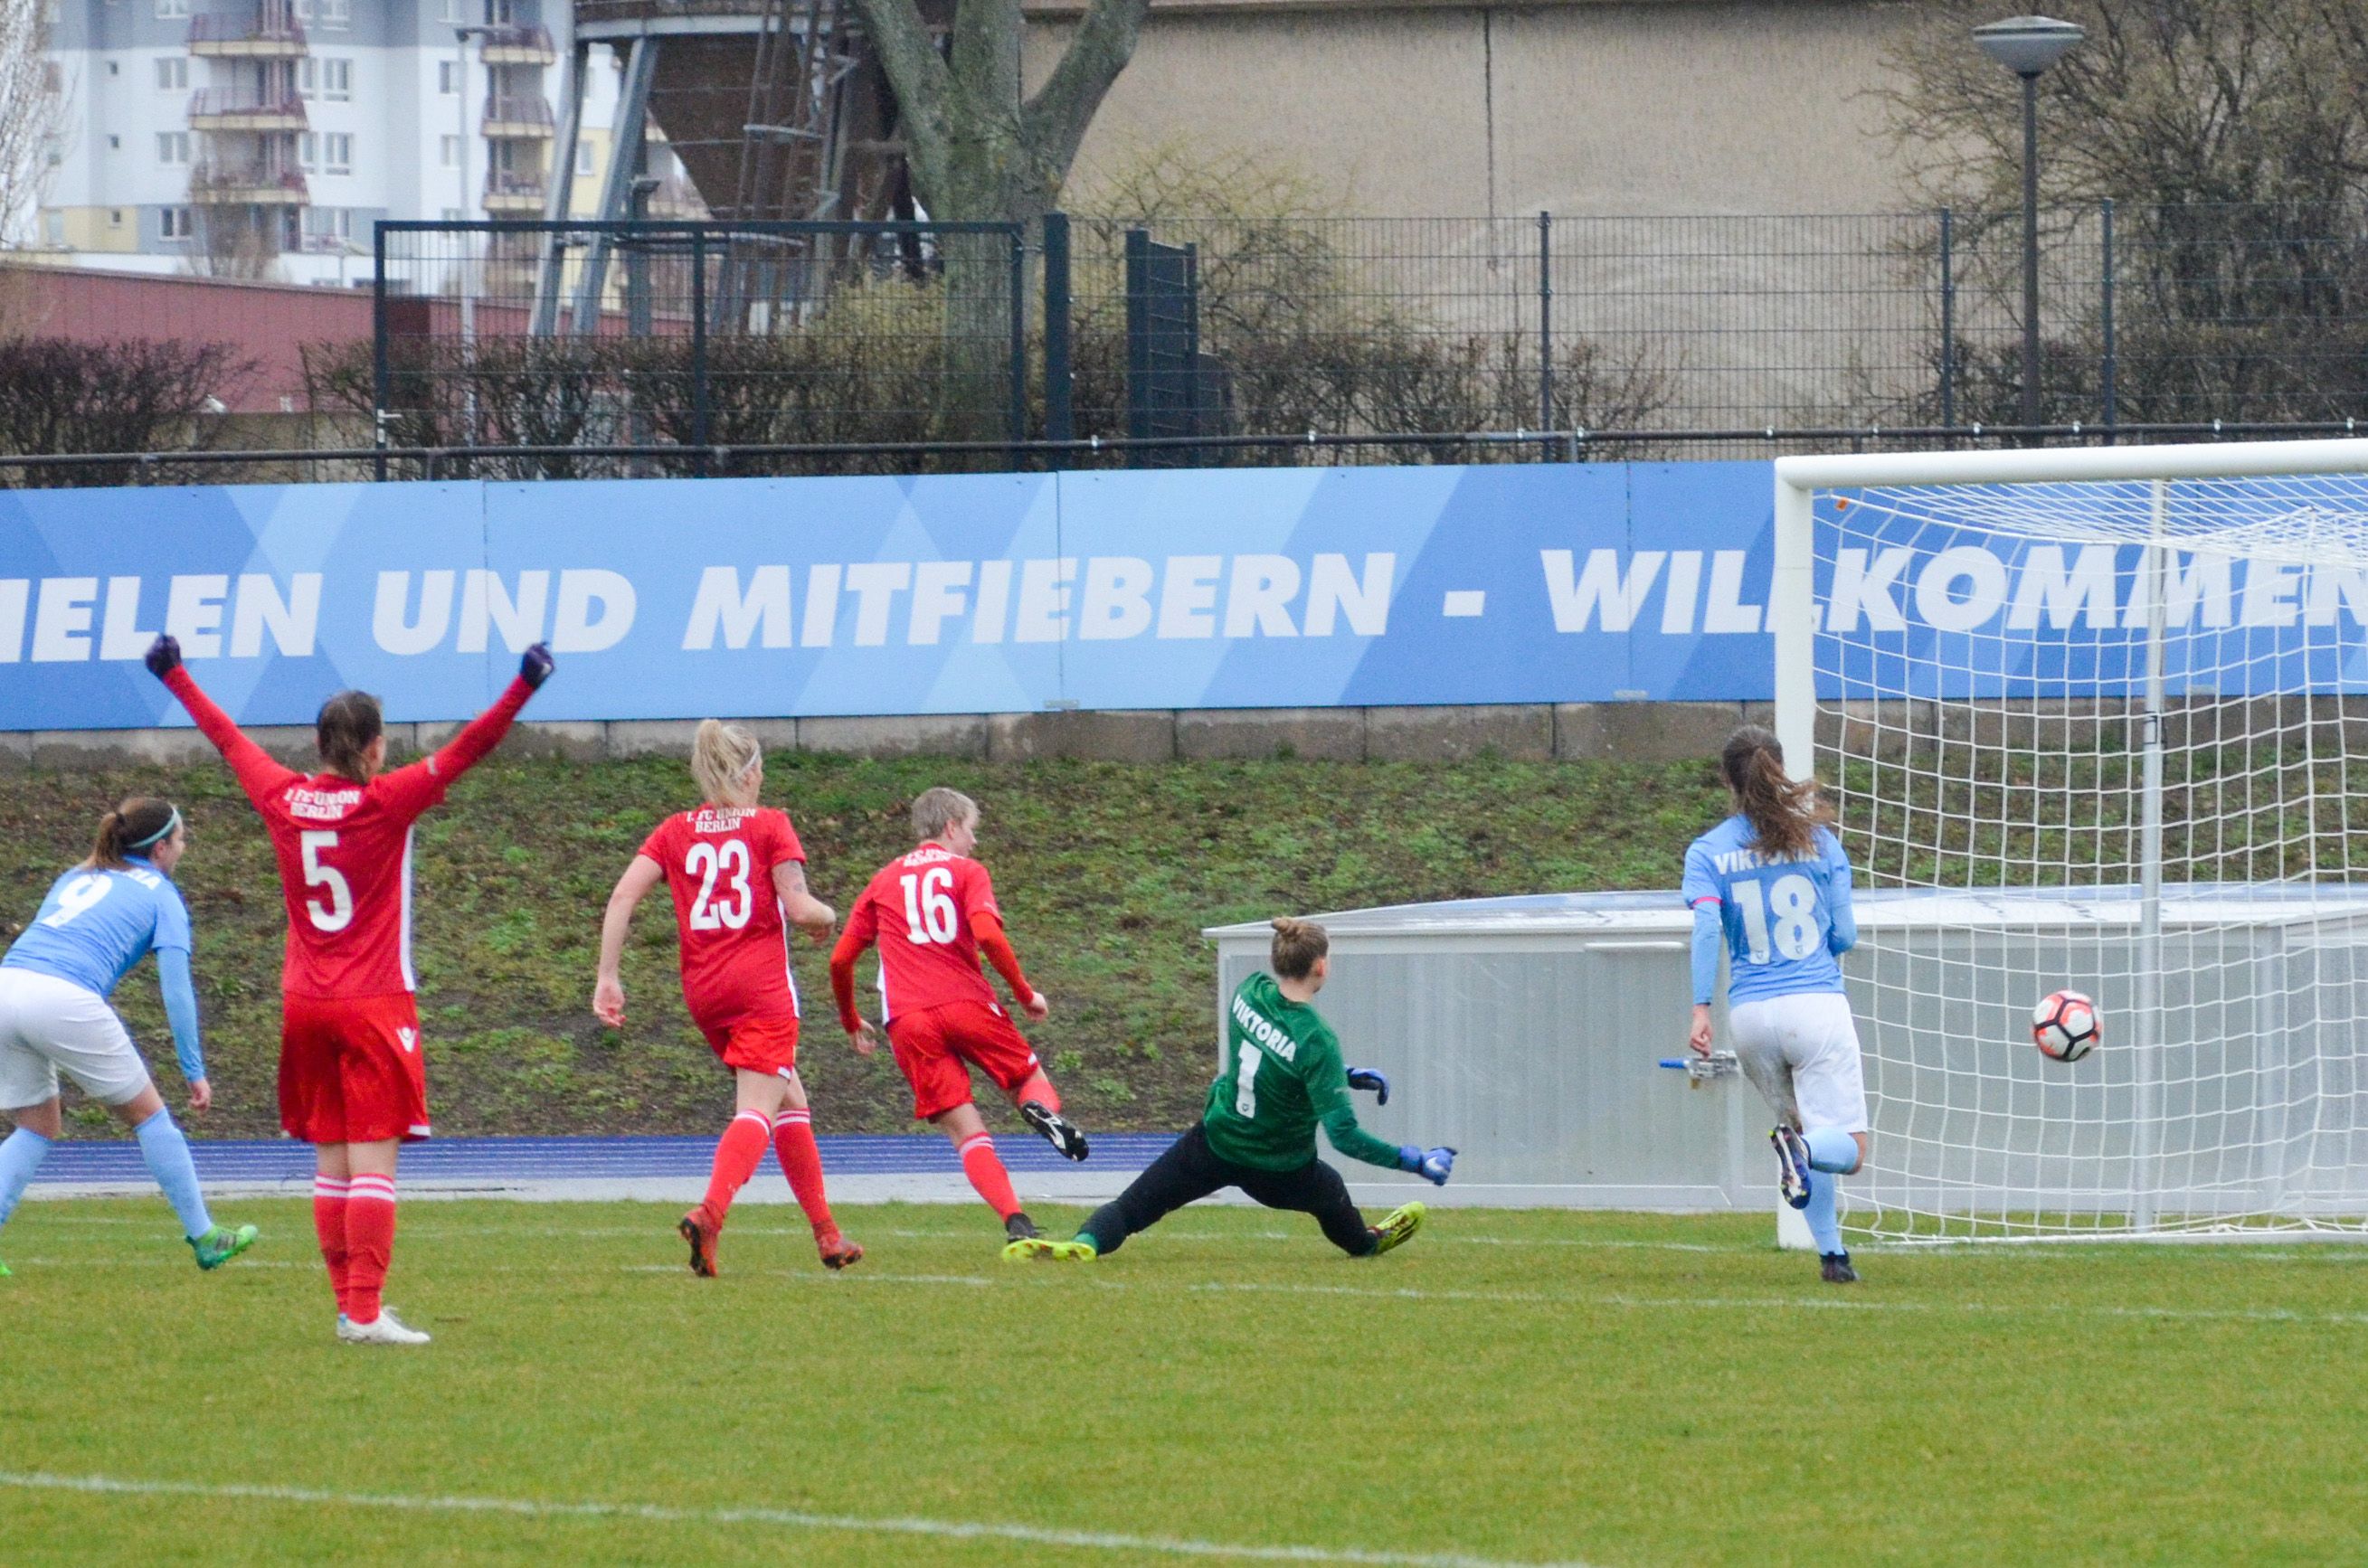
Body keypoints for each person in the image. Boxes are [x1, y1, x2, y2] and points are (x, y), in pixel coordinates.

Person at [147, 631, 553, 1344]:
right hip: (373, 1001)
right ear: (372, 749)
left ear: (317, 743)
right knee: (372, 1162)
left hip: (304, 1002)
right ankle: (365, 1312)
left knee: (332, 1164)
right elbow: (468, 749)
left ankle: (348, 1309)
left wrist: (175, 674)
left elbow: (227, 738)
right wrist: (524, 684)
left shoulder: (282, 795)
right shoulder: (386, 802)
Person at [1010, 916, 1450, 1264]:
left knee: (1134, 1207)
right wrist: (1414, 1161)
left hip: (1216, 1142)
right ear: (1320, 966)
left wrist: (1342, 1075)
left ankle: (1085, 1242)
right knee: (1330, 1192)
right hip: (1279, 1168)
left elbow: (1271, 1054)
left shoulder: (1249, 992)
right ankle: (1366, 1243)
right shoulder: (1317, 1039)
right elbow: (1345, 1137)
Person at [593, 721, 860, 1277]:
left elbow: (622, 895)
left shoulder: (674, 830)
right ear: (752, 771)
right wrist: (831, 917)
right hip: (760, 987)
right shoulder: (770, 824)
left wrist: (608, 975)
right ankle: (710, 1212)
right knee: (757, 1109)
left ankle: (827, 1234)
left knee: (790, 1100)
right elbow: (799, 905)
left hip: (705, 991)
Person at [0, 797, 259, 1277]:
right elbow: (176, 989)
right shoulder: (160, 893)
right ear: (160, 849)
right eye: (180, 840)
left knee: (37, 1124)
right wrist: (194, 1070)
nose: (183, 848)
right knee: (149, 1117)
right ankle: (205, 1237)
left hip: (7, 984)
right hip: (62, 996)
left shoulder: (75, 876)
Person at [829, 787, 1088, 1250]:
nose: (973, 841)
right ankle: (1039, 1109)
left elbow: (840, 961)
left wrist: (851, 1019)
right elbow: (986, 932)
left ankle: (1015, 1221)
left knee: (965, 1131)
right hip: (966, 1004)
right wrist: (1025, 993)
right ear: (951, 826)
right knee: (1028, 1078)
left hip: (908, 1022)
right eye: (971, 830)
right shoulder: (967, 871)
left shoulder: (882, 881)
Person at [1682, 725, 1869, 1285]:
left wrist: (1700, 1009)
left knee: (1804, 1133)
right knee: (1847, 1148)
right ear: (1781, 769)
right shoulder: (1819, 840)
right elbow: (1845, 937)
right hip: (1814, 1005)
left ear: (1725, 778)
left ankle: (1833, 1258)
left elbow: (1708, 925)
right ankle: (1800, 1149)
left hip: (1750, 1016)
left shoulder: (1709, 850)